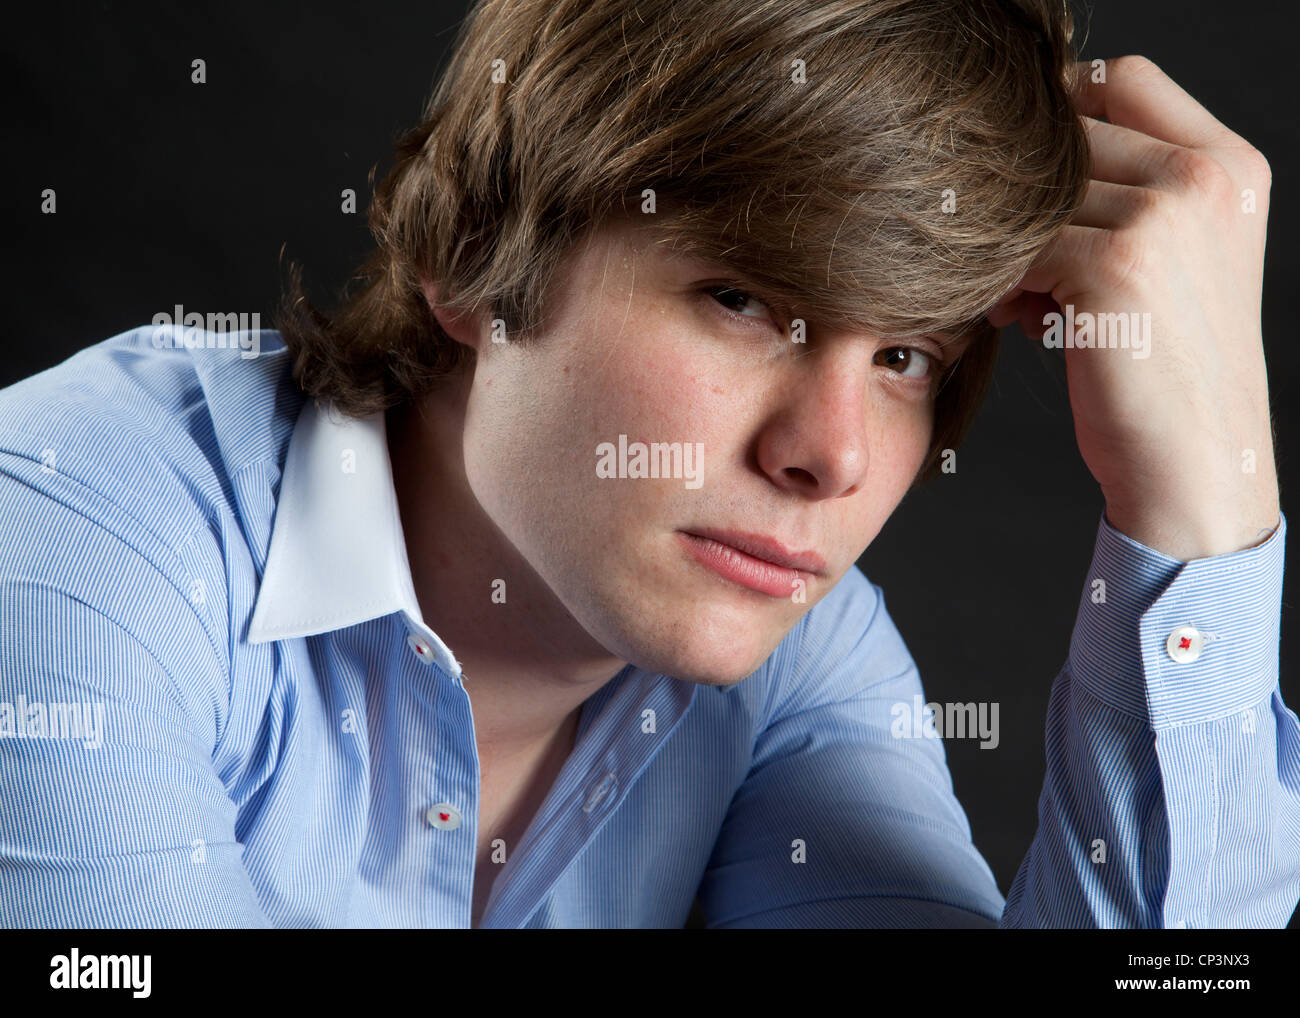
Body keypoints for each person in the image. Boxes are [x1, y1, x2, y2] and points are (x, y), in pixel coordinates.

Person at [0, 0, 1294, 929]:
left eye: (907, 355)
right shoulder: (74, 513)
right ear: (468, 252)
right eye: (739, 298)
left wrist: (1199, 509)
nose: (831, 454)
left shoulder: (802, 657)